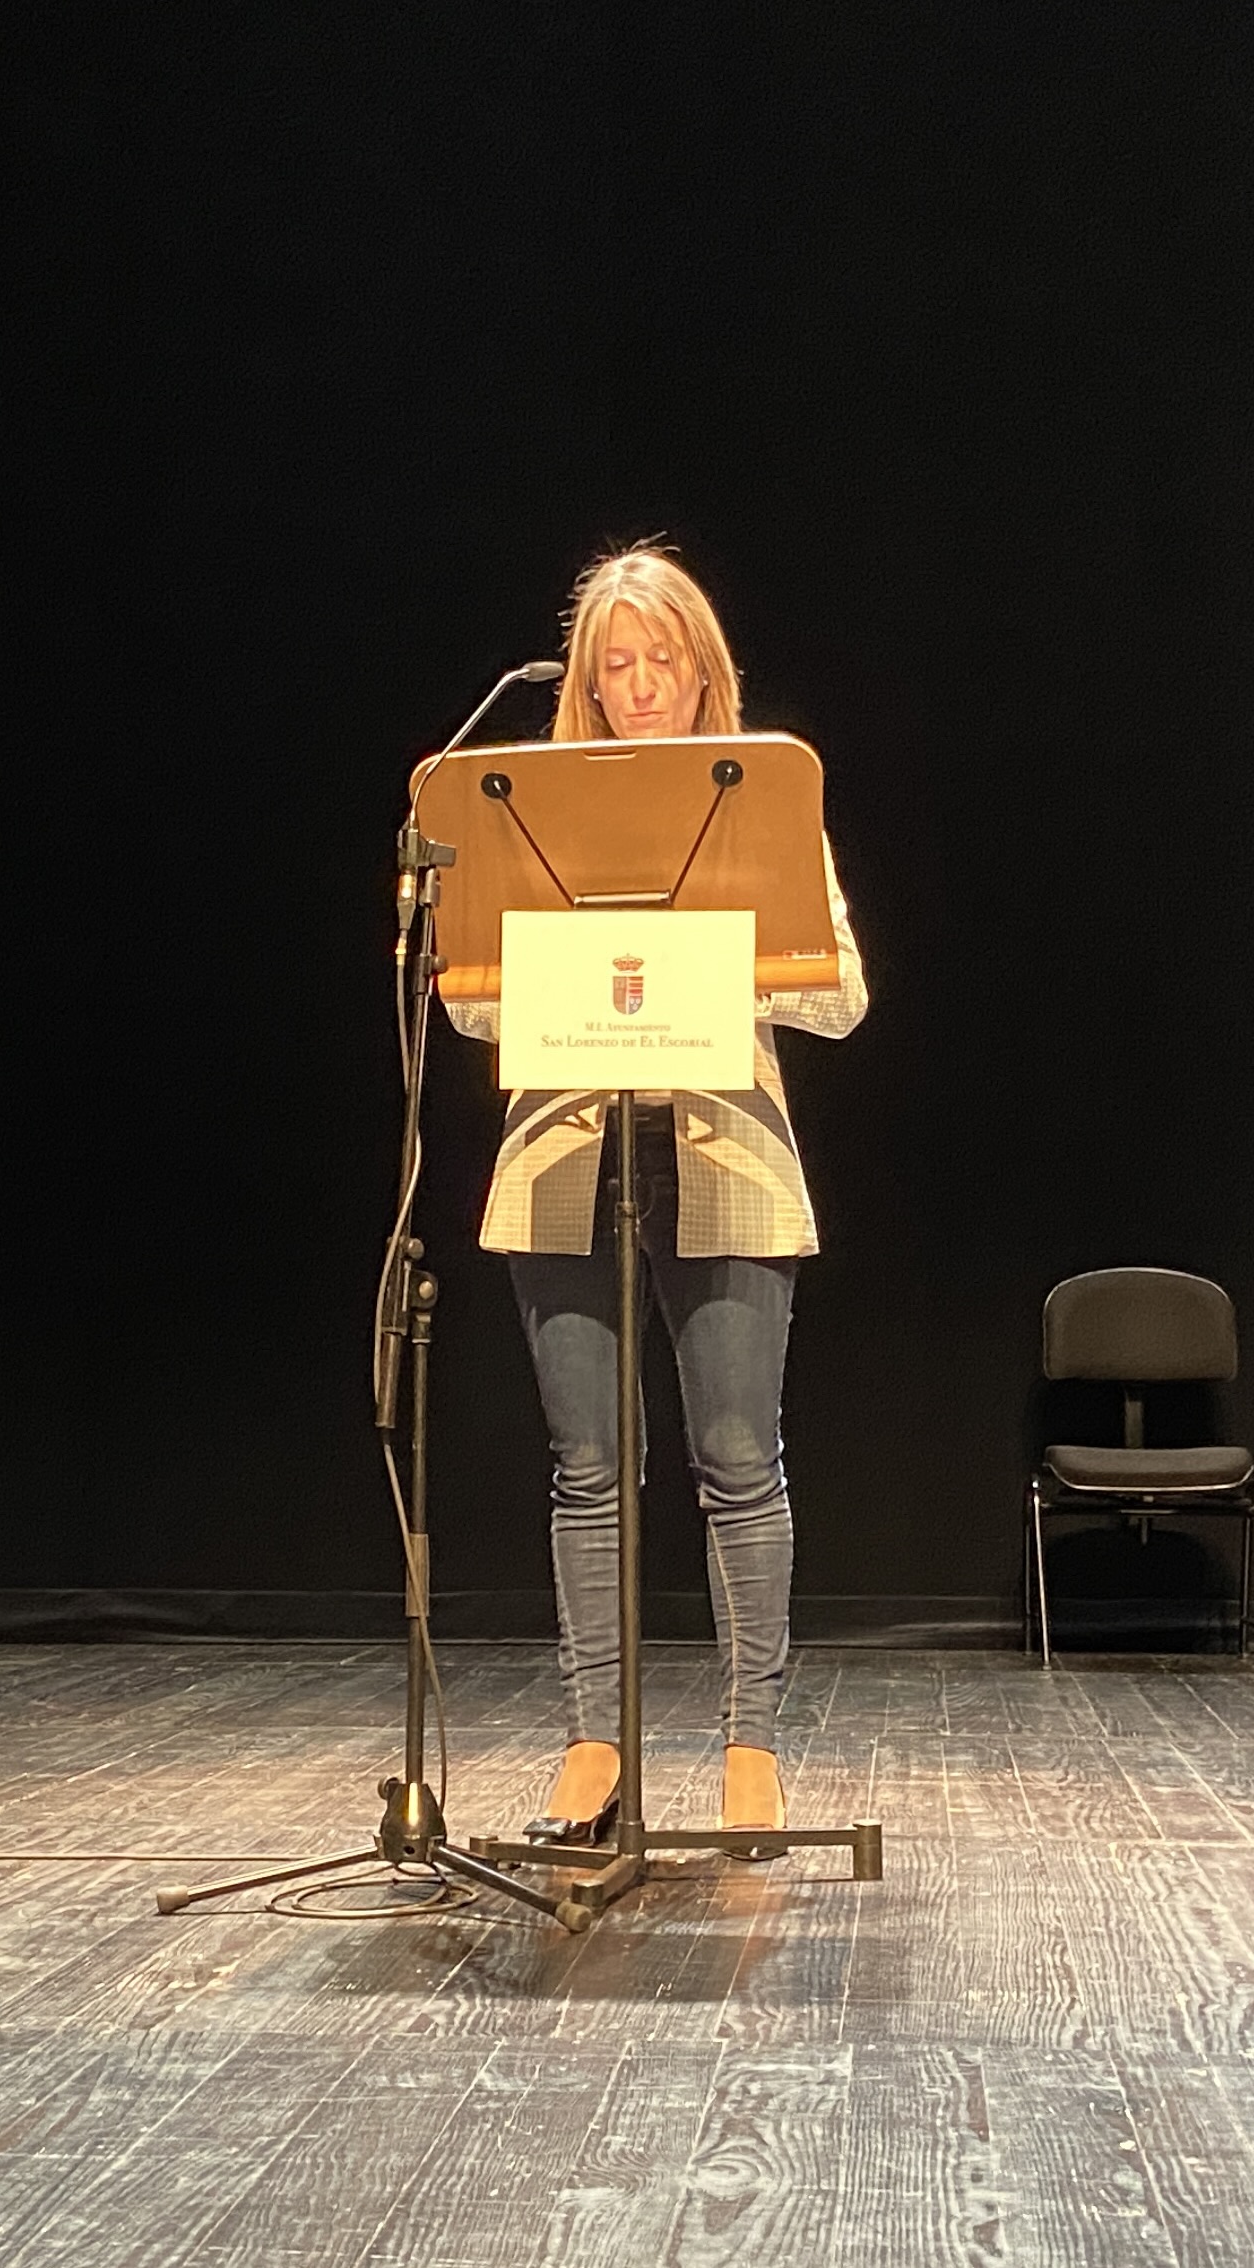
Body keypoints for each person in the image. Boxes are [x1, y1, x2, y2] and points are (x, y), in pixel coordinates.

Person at [443, 545, 867, 1850]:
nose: (637, 686)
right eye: (614, 665)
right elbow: (469, 1001)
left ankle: (751, 1749)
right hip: (566, 1155)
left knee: (737, 1460)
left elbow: (841, 994)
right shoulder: (523, 807)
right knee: (587, 1469)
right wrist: (566, 977)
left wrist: (701, 970)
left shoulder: (758, 796)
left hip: (724, 1154)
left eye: (659, 662)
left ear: (700, 672)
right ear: (583, 681)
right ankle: (595, 1746)